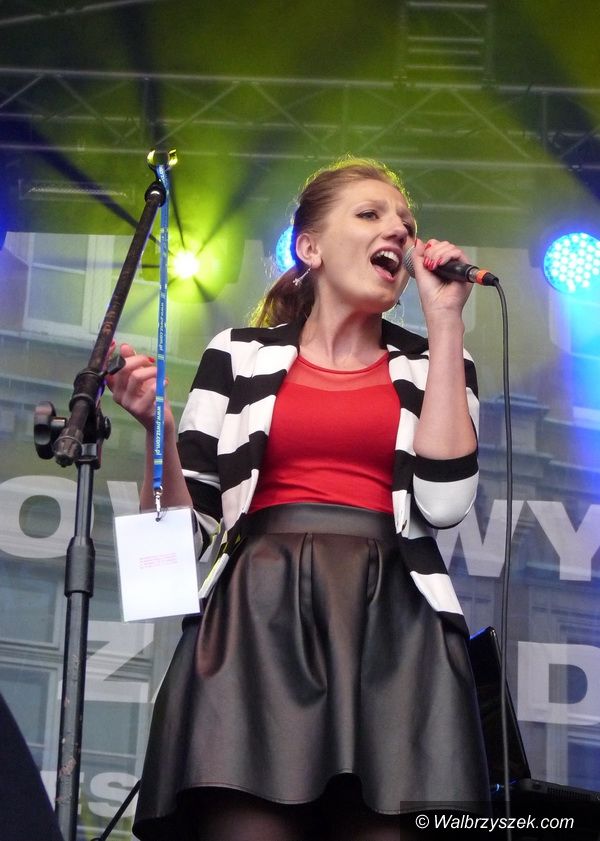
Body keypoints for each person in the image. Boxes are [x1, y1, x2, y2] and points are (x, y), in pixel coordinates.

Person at [109, 157, 490, 841]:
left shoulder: (434, 362)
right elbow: (164, 562)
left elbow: (444, 503)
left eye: (406, 223)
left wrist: (445, 321)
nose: (398, 231)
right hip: (254, 630)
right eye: (370, 214)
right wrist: (156, 433)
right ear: (309, 248)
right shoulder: (238, 356)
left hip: (395, 635)